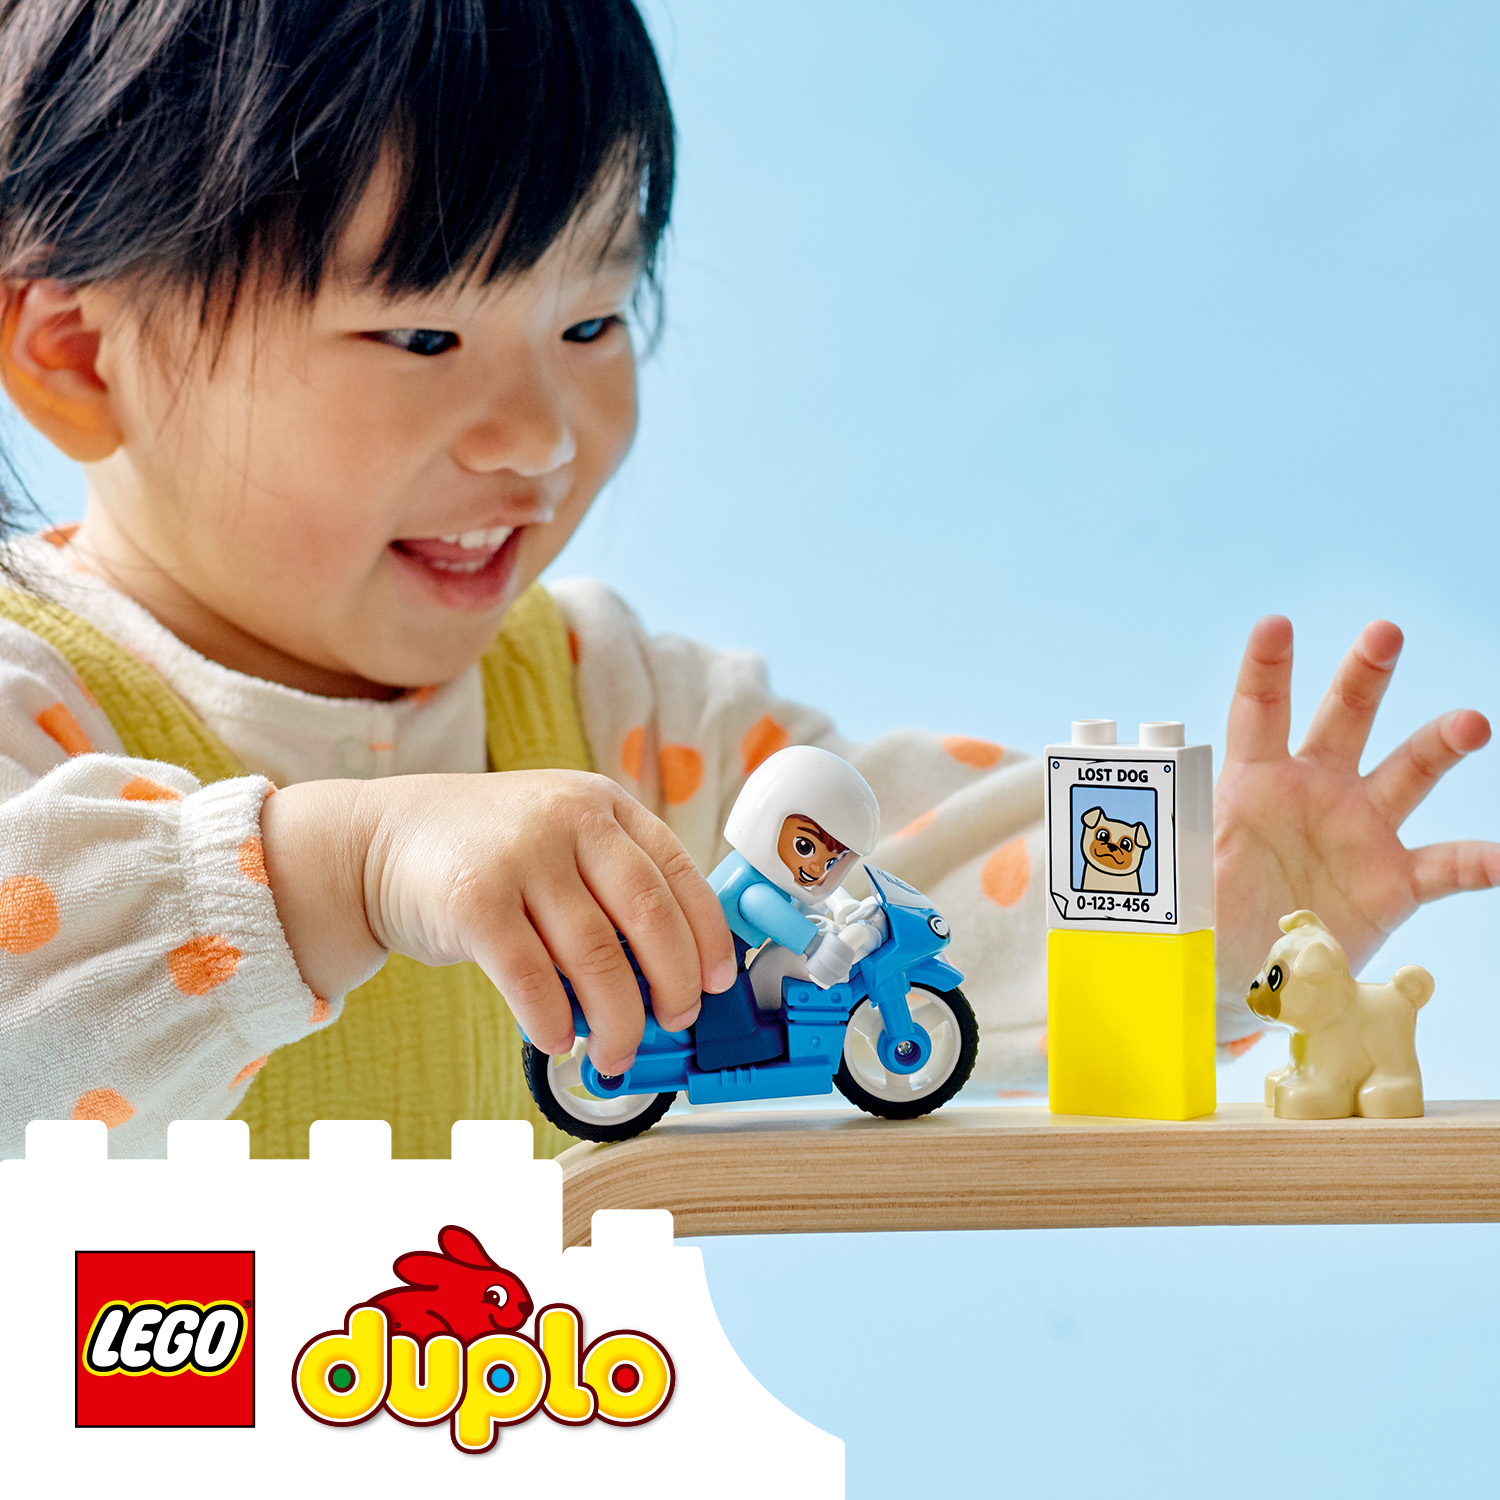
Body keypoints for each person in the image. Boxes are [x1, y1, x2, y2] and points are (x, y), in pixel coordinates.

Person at [0, 0, 1494, 1161]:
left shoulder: (614, 711)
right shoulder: (31, 693)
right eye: (424, 338)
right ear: (77, 355)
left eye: (591, 323)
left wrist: (1198, 910)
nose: (537, 437)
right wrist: (352, 866)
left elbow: (904, 892)